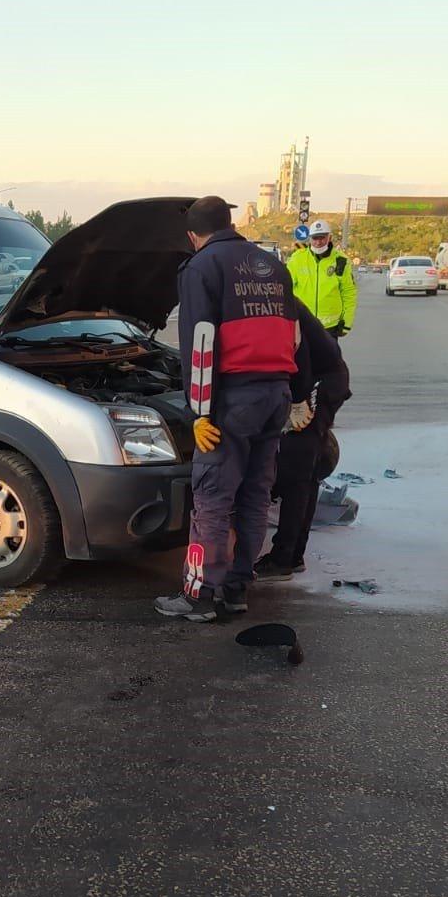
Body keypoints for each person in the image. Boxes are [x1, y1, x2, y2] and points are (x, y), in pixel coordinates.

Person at [154, 196, 299, 623]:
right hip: (276, 395)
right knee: (254, 497)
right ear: (230, 223)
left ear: (192, 236)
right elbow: (293, 338)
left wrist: (200, 413)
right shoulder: (273, 265)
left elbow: (200, 344)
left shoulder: (203, 266)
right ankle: (235, 591)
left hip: (232, 400)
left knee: (213, 500)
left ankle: (199, 596)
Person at [254, 304, 351, 579]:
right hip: (312, 375)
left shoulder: (276, 304)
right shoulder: (265, 294)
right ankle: (292, 554)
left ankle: (285, 557)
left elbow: (300, 355)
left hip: (318, 380)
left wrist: (298, 401)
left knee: (298, 467)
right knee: (303, 472)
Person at [287, 219, 357, 338]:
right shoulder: (298, 258)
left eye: (322, 238)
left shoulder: (340, 261)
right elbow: (286, 288)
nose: (318, 242)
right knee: (302, 357)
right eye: (315, 238)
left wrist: (346, 322)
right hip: (303, 322)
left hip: (330, 326)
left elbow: (348, 292)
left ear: (329, 237)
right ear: (310, 238)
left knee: (328, 357)